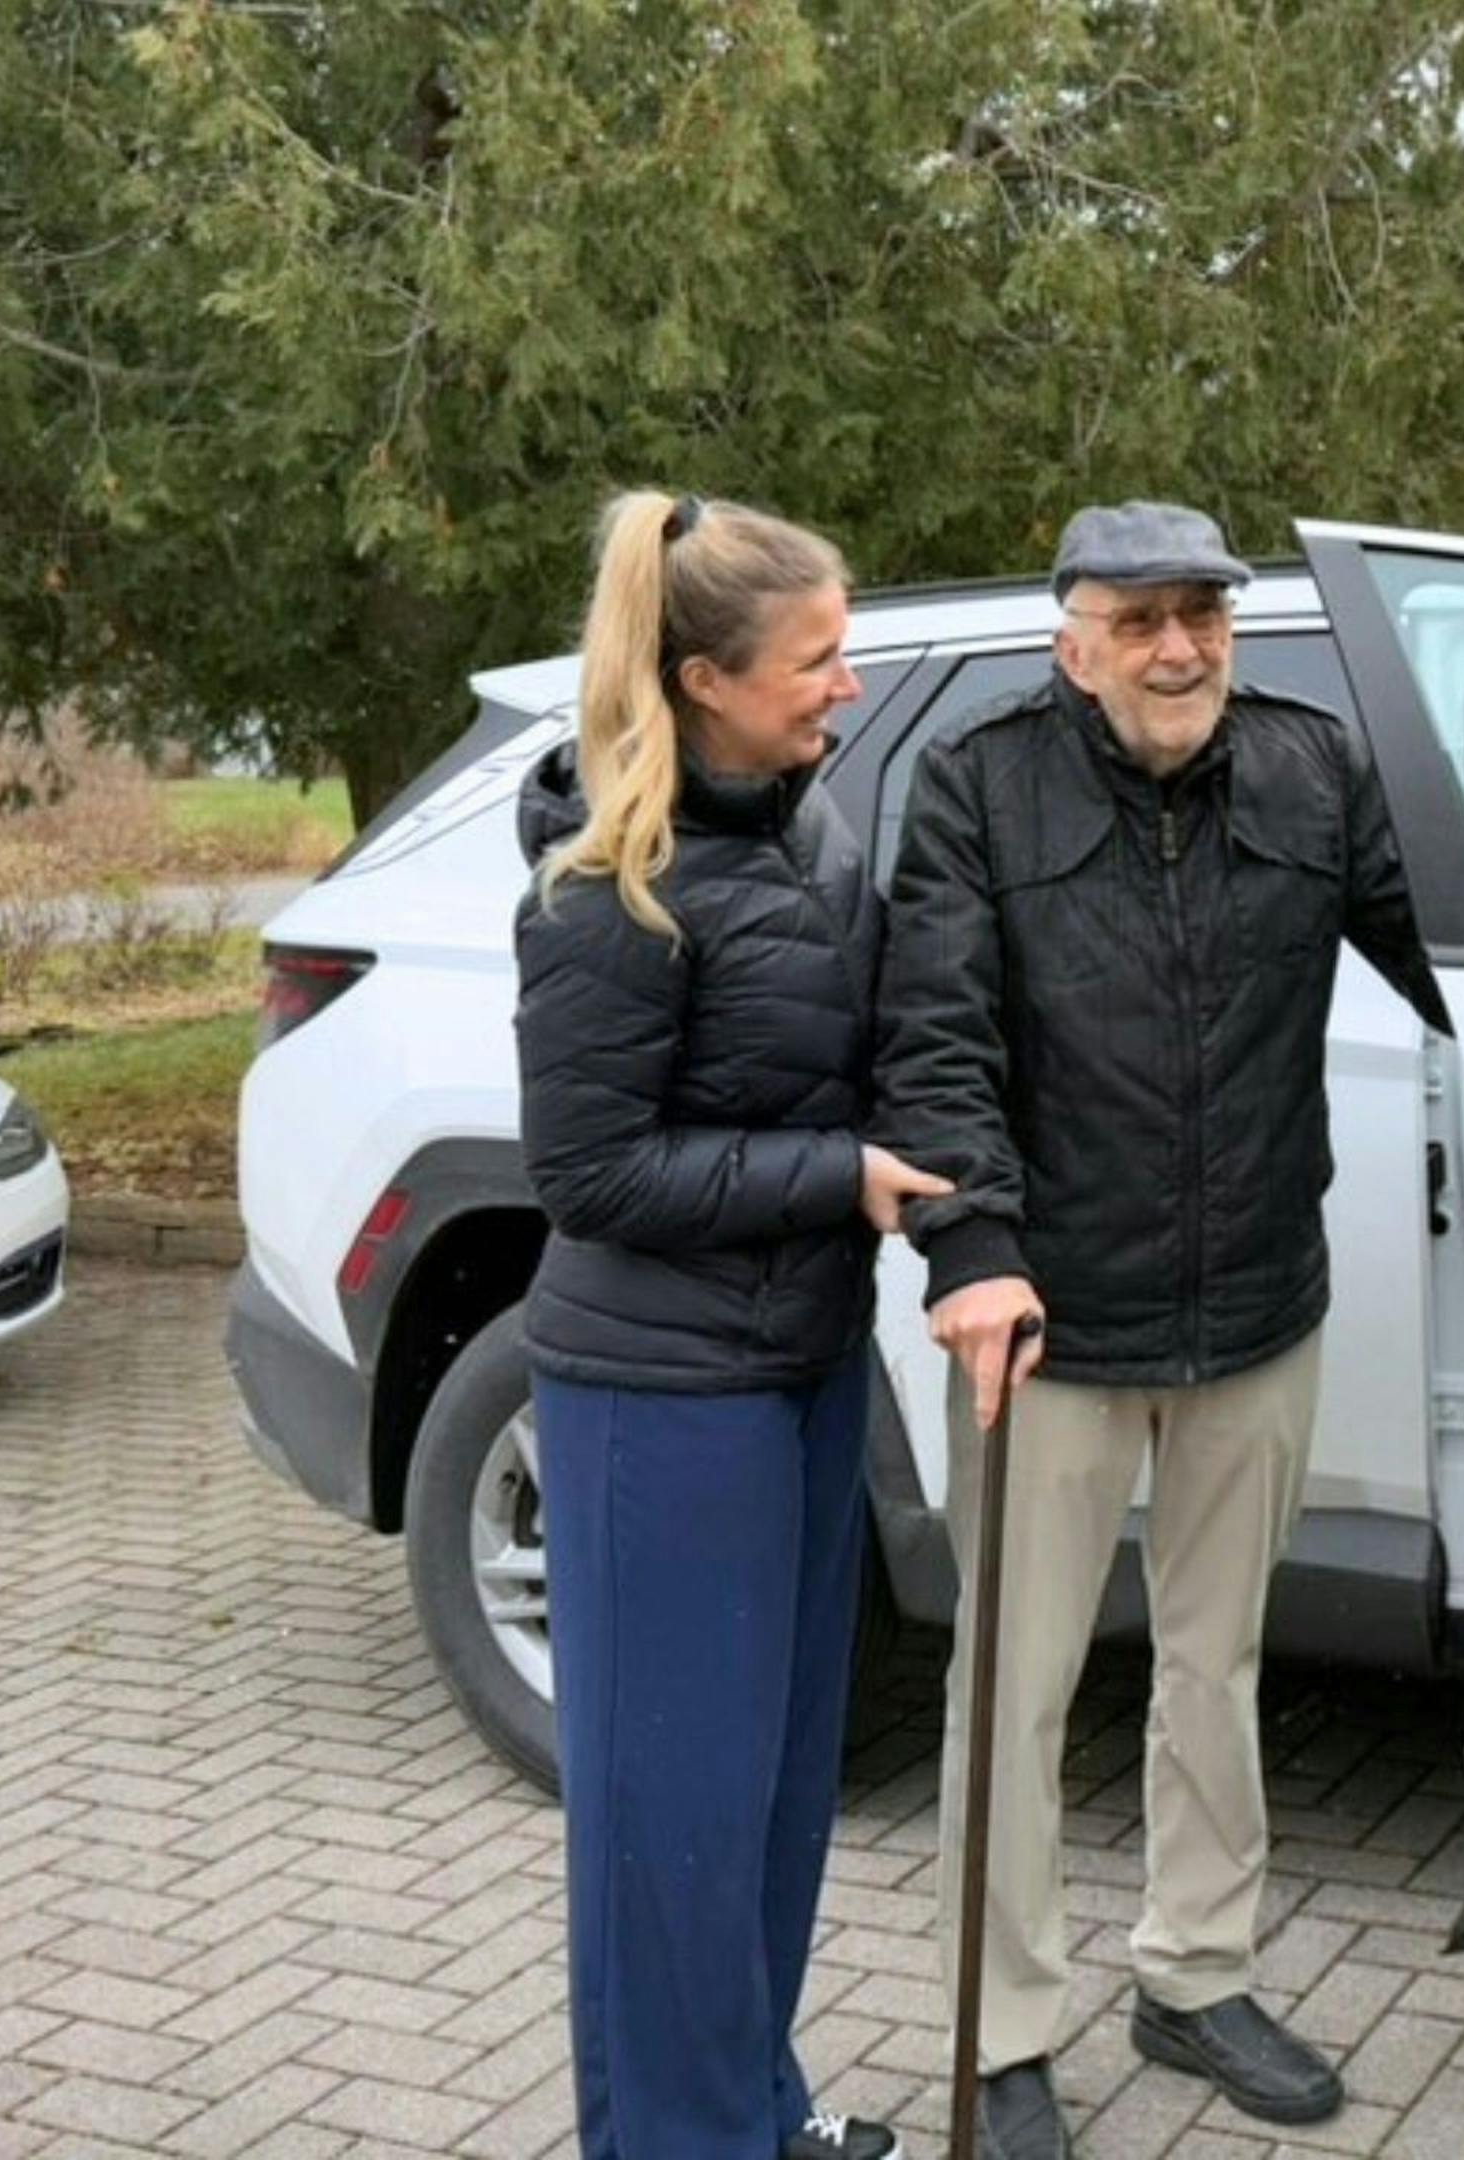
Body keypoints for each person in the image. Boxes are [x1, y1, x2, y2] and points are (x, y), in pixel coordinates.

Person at [877, 501, 1453, 2158]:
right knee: (1017, 1686)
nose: (1180, 647)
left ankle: (1194, 1977)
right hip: (1045, 1320)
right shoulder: (980, 783)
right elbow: (932, 1039)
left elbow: (1443, 956)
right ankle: (1004, 2035)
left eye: (1202, 611)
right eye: (1139, 619)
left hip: (1259, 1306)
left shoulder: (1310, 769)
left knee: (1218, 1667)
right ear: (1074, 639)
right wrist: (969, 1250)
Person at [513, 488, 950, 2160]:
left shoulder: (806, 823)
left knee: (772, 1803)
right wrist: (838, 1175)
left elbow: (877, 1036)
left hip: (799, 1367)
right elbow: (594, 1173)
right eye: (816, 663)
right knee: (670, 1829)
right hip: (658, 1402)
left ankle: (754, 2109)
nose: (847, 689)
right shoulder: (602, 890)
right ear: (703, 679)